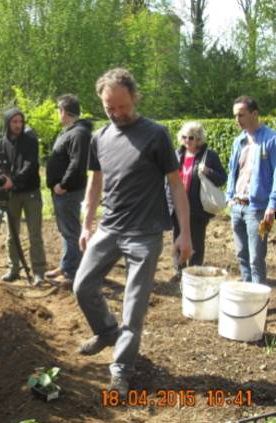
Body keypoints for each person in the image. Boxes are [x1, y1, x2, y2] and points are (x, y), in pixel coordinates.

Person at [73, 68, 192, 397]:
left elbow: (175, 185)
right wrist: (87, 224)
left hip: (145, 234)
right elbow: (95, 182)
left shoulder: (156, 134)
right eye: (109, 107)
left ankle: (122, 371)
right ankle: (106, 330)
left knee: (134, 305)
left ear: (134, 97)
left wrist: (184, 234)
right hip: (110, 227)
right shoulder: (99, 137)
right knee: (82, 286)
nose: (116, 113)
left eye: (122, 106)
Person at [0, 108, 47, 287]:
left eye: (20, 122)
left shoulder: (31, 142)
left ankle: (38, 273)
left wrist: (13, 181)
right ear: (8, 123)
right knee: (12, 235)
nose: (18, 125)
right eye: (14, 122)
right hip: (10, 195)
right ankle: (13, 269)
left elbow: (29, 165)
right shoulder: (0, 143)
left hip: (30, 193)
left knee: (35, 234)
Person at [225, 96, 276, 284]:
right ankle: (247, 295)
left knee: (256, 259)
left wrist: (272, 205)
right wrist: (229, 197)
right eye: (235, 115)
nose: (237, 119)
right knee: (241, 255)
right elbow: (233, 171)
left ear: (255, 114)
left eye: (241, 115)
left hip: (258, 209)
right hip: (236, 206)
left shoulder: (271, 140)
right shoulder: (239, 141)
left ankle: (258, 303)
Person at [166, 121, 227, 277]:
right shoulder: (177, 154)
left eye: (191, 137)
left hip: (197, 208)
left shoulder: (209, 156)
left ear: (199, 139)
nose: (187, 141)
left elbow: (222, 179)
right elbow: (168, 181)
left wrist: (208, 171)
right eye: (184, 137)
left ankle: (194, 272)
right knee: (177, 237)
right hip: (177, 206)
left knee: (196, 242)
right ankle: (178, 270)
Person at [45, 94, 93, 287]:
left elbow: (77, 164)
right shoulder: (70, 131)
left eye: (58, 110)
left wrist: (63, 185)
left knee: (71, 231)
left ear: (63, 111)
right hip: (63, 191)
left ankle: (73, 273)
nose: (58, 113)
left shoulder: (78, 133)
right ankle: (66, 265)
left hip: (68, 192)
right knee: (67, 231)